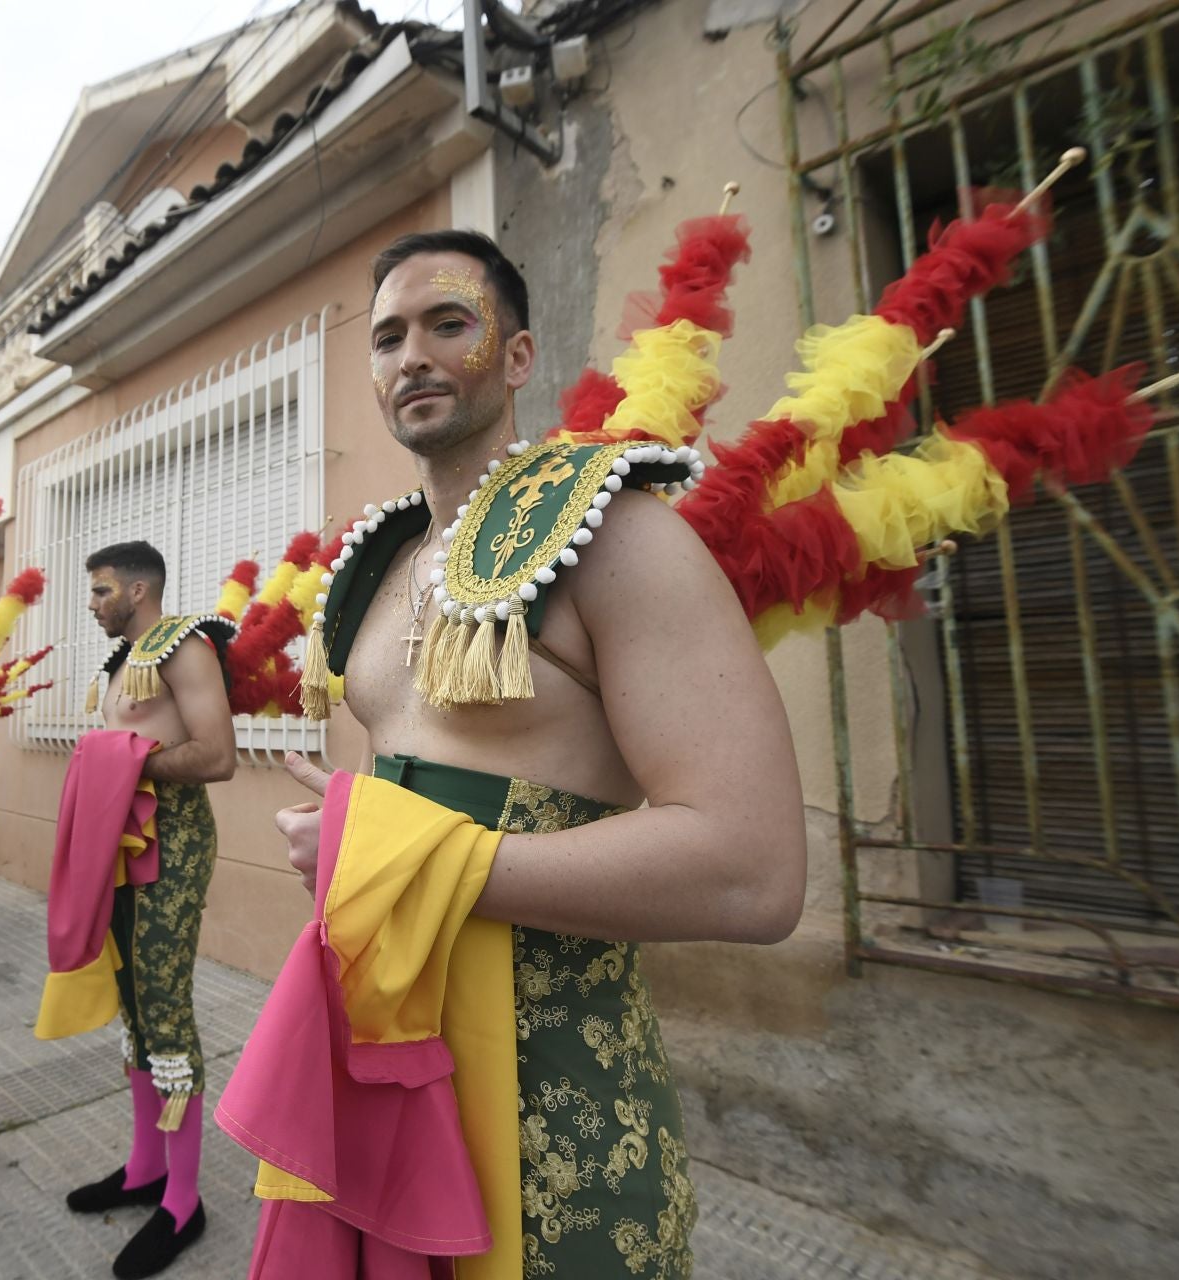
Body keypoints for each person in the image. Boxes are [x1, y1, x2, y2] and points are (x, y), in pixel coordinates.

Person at [232, 231, 806, 1278]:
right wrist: (349, 835)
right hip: (376, 1050)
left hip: (555, 1087)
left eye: (449, 323)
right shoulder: (376, 564)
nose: (412, 356)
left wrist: (403, 861)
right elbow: (409, 786)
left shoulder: (621, 535)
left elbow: (754, 868)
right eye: (389, 336)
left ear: (519, 354)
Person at [47, 541, 235, 1279]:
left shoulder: (184, 646)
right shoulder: (123, 660)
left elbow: (215, 754)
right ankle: (142, 1168)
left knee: (164, 1009)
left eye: (99, 591)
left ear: (135, 588)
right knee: (133, 1006)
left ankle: (182, 1201)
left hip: (172, 847)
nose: (92, 604)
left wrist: (118, 763)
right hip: (121, 848)